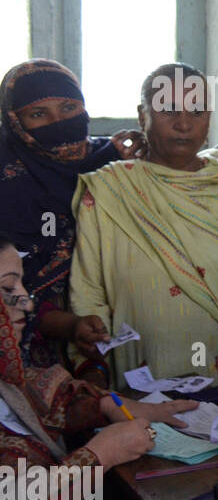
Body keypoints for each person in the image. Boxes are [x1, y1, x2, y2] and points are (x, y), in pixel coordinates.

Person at [0, 236, 198, 500]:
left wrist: (111, 404)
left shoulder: (8, 376)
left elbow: (42, 394)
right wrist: (100, 455)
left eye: (20, 287)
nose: (26, 304)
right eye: (7, 289)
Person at [68, 64, 218, 387]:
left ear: (209, 117)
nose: (183, 124)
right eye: (168, 110)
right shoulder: (110, 190)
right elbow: (88, 290)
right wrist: (94, 372)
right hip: (143, 372)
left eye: (197, 111)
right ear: (142, 116)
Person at [0, 60, 143, 371]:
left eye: (68, 107)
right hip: (26, 354)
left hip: (112, 336)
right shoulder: (7, 182)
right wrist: (69, 324)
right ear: (14, 121)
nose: (58, 121)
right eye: (38, 114)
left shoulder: (109, 161)